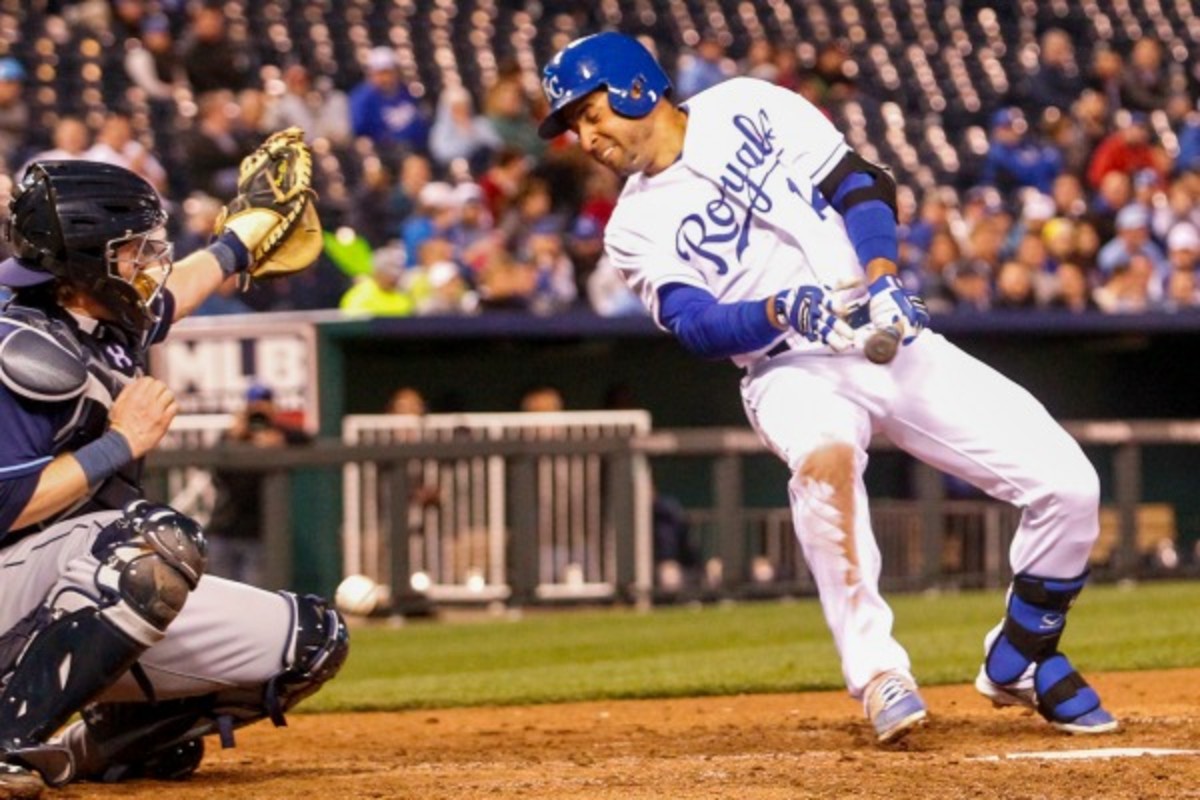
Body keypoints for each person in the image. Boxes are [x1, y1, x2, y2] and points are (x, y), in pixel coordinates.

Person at [537, 32, 1116, 745]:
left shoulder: (746, 103)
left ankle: (1023, 655)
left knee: (1069, 486)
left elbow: (857, 182)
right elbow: (694, 324)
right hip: (788, 369)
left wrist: (883, 276)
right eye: (575, 125)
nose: (585, 137)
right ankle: (879, 673)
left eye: (589, 113)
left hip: (884, 333)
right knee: (826, 459)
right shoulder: (631, 227)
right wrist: (780, 309)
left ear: (634, 88)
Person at [0, 158, 348, 795]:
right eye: (130, 249)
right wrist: (119, 444)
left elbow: (178, 289)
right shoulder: (17, 340)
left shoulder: (97, 315)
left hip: (68, 582)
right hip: (14, 582)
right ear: (85, 258)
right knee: (152, 545)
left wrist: (238, 245)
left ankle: (99, 749)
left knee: (309, 640)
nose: (147, 261)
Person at [206, 384, 313, 585]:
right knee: (222, 594)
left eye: (264, 405)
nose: (258, 413)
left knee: (253, 596)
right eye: (254, 406)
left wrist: (279, 439)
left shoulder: (279, 434)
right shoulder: (234, 435)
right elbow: (217, 472)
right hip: (225, 529)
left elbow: (308, 441)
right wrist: (236, 437)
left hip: (258, 534)